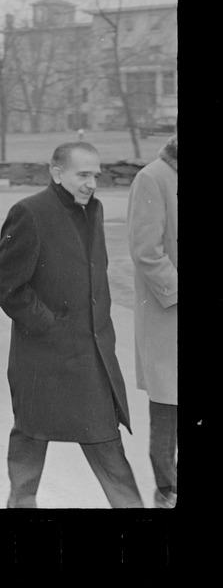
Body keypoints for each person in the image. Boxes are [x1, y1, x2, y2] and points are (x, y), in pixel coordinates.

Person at [0, 141, 143, 508]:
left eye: (96, 175)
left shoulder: (95, 210)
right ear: (57, 173)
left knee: (107, 445)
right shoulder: (28, 212)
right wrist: (49, 326)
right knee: (30, 437)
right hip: (42, 357)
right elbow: (7, 285)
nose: (92, 183)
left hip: (91, 355)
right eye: (83, 175)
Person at [127, 131, 178, 509]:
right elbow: (146, 251)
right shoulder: (153, 177)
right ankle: (167, 489)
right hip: (169, 313)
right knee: (168, 406)